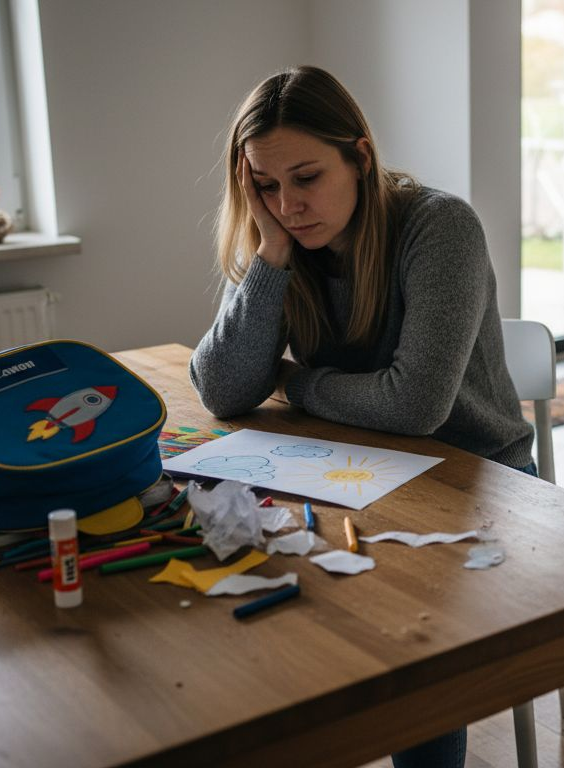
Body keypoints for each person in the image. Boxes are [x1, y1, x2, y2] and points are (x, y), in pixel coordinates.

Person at [189, 65, 534, 768]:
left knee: (408, 645)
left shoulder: (440, 227)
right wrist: (271, 257)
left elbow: (415, 405)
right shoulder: (287, 241)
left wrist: (303, 385)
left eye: (307, 177)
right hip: (357, 473)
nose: (287, 203)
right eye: (264, 185)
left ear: (361, 156)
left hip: (480, 482)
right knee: (254, 613)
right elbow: (223, 389)